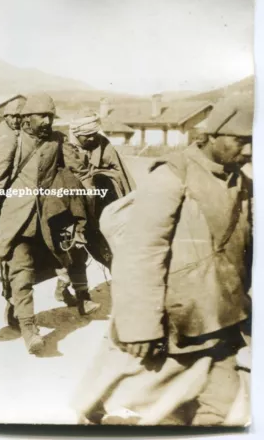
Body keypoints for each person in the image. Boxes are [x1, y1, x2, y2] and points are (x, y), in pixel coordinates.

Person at [72, 94, 253, 426]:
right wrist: (141, 326)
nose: (249, 151)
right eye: (241, 141)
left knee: (223, 407)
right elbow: (141, 254)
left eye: (254, 142)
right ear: (214, 133)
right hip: (170, 329)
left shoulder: (241, 183)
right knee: (142, 410)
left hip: (220, 323)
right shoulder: (172, 177)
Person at [0, 93, 100, 355]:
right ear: (27, 118)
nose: (47, 121)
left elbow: (77, 171)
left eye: (50, 116)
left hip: (48, 219)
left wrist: (86, 200)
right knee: (21, 268)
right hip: (16, 217)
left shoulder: (58, 141)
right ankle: (30, 330)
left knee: (47, 266)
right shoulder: (11, 142)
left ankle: (16, 306)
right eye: (41, 116)